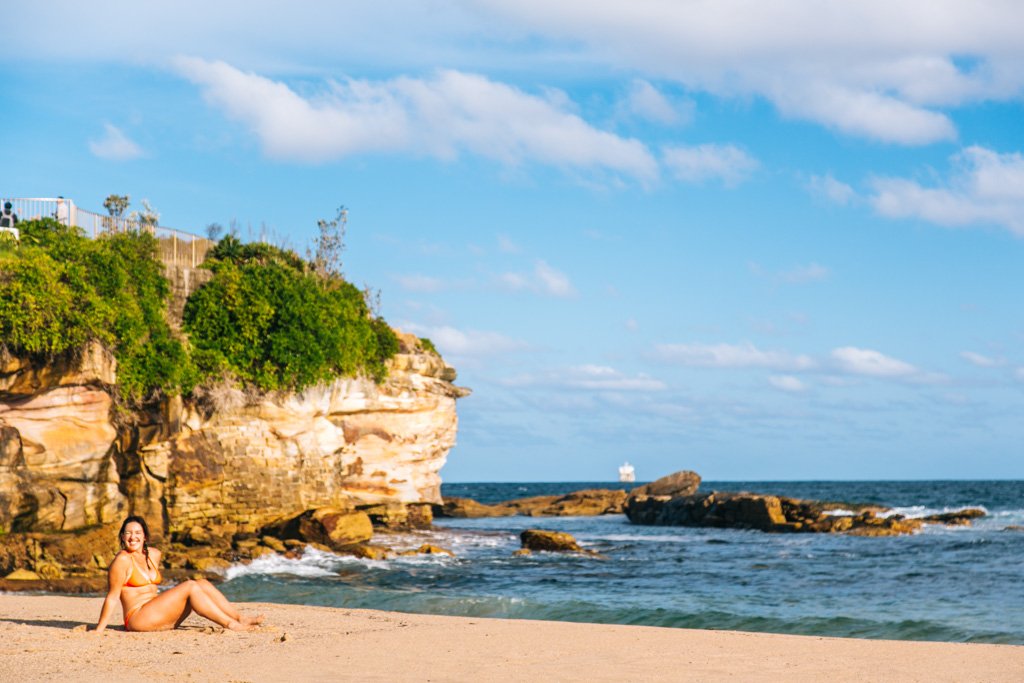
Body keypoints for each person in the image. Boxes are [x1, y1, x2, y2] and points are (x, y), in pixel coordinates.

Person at [93, 516, 264, 633]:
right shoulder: (122, 561)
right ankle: (231, 624)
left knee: (202, 582)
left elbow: (152, 588)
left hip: (157, 613)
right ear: (122, 537)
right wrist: (99, 629)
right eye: (128, 533)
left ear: (145, 536)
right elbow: (112, 597)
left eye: (138, 533)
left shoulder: (153, 554)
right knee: (190, 586)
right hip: (138, 618)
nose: (133, 537)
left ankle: (240, 617)